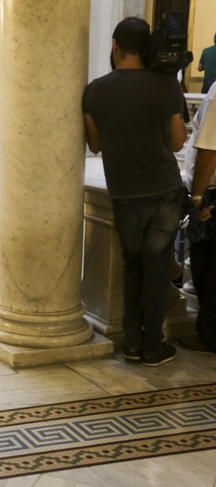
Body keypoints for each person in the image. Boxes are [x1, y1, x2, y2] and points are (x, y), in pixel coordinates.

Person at [83, 17, 187, 367]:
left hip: (125, 192)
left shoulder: (95, 90)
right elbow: (177, 141)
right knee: (157, 267)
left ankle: (131, 343)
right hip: (163, 190)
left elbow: (95, 144)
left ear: (115, 45)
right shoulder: (166, 85)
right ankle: (152, 346)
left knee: (133, 266)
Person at [184, 82, 216, 352]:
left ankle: (209, 334)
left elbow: (209, 148)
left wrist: (197, 196)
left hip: (213, 194)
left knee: (207, 264)